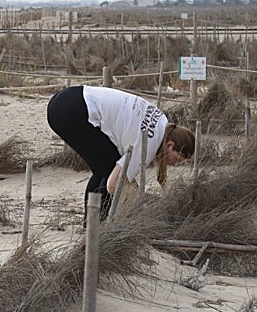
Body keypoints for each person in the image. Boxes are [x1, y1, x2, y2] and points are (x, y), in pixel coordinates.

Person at [46, 84, 194, 219]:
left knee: (104, 169)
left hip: (70, 97)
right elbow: (114, 184)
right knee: (109, 172)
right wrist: (146, 202)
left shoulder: (162, 122)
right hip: (73, 111)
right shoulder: (149, 144)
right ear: (170, 145)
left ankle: (93, 227)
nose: (174, 165)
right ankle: (98, 227)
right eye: (177, 159)